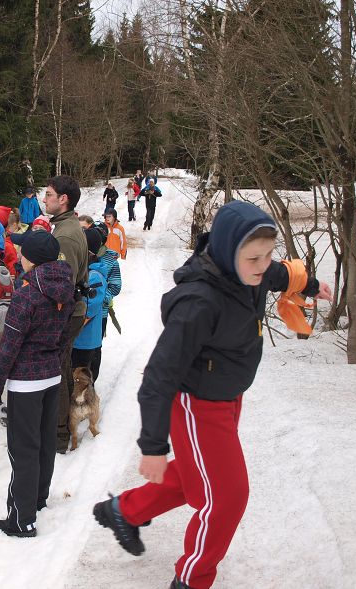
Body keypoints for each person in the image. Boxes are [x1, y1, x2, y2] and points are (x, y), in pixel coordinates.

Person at [92, 201, 332, 589]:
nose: (263, 265)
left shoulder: (249, 271)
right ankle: (193, 578)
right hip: (197, 404)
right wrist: (153, 446)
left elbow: (277, 273)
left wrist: (307, 284)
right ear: (228, 251)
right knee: (227, 496)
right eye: (254, 258)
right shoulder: (199, 303)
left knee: (199, 474)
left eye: (267, 254)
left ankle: (125, 510)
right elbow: (158, 377)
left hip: (227, 394)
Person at [0, 230, 76, 537]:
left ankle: (22, 520)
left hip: (26, 382)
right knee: (44, 442)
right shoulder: (65, 288)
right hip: (51, 375)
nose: (20, 256)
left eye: (23, 252)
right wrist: (53, 359)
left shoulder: (27, 295)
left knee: (23, 449)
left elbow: (9, 346)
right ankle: (37, 499)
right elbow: (65, 336)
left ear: (31, 259)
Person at [44, 175, 88, 453]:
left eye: (49, 194)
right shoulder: (64, 227)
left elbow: (63, 286)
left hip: (65, 313)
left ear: (63, 199)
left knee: (57, 371)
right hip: (68, 311)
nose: (44, 199)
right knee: (61, 366)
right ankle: (63, 424)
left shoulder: (66, 235)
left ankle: (59, 433)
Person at [71, 228, 108, 372]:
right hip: (77, 340)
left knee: (81, 378)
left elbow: (89, 308)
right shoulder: (84, 271)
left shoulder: (95, 276)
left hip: (85, 342)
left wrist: (71, 330)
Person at [90, 222, 122, 381]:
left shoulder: (111, 260)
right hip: (83, 310)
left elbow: (115, 286)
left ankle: (91, 381)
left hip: (100, 312)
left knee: (95, 347)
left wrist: (101, 298)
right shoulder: (84, 254)